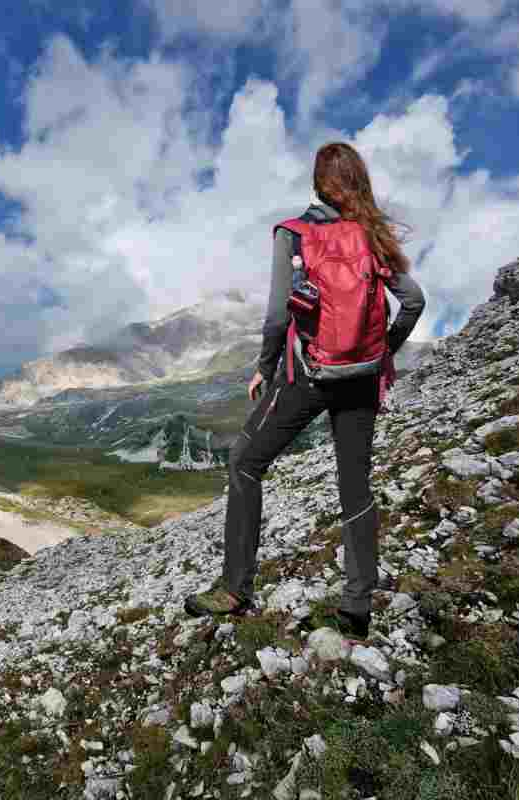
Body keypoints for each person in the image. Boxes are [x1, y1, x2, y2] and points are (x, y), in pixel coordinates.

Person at [184, 142, 426, 639]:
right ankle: (356, 606)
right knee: (355, 485)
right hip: (361, 377)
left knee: (246, 462)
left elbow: (277, 316)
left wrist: (265, 369)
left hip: (309, 374)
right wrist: (381, 353)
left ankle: (234, 589)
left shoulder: (294, 233)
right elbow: (414, 302)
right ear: (358, 182)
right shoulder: (372, 235)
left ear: (317, 183)